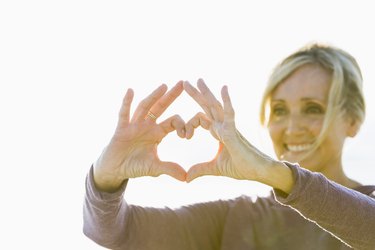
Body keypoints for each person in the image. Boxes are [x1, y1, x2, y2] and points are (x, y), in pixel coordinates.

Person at [83, 43, 375, 250]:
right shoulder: (236, 219)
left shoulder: (367, 207)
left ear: (354, 120)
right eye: (280, 111)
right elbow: (114, 232)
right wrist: (106, 178)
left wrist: (276, 174)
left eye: (313, 109)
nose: (291, 127)